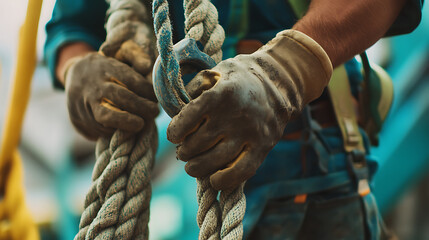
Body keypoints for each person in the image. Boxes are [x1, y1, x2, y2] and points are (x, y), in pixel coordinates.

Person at [45, 0, 423, 239]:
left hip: (317, 161)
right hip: (201, 171)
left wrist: (285, 73)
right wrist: (77, 69)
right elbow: (71, 28)